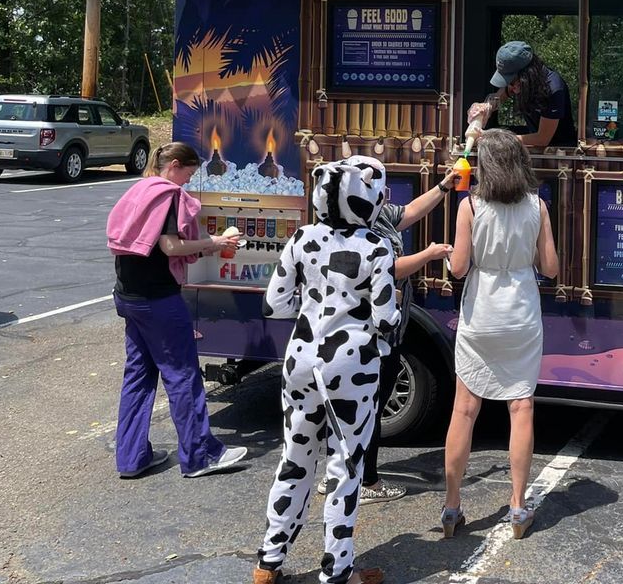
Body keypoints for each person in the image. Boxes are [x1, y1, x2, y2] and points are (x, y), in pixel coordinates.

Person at [254, 156, 398, 584]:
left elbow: (274, 304)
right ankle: (338, 570)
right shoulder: (376, 247)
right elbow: (386, 318)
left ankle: (268, 562)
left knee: (295, 458)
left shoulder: (301, 238)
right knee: (345, 466)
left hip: (300, 358)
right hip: (351, 365)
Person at [440, 129, 560, 540]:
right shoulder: (537, 207)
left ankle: (452, 506)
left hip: (482, 311)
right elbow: (551, 267)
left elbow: (457, 268)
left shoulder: (470, 206)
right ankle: (518, 506)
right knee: (521, 407)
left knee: (464, 409)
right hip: (522, 312)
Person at [106, 142, 246, 479]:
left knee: (138, 377)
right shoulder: (167, 194)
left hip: (128, 296)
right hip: (158, 299)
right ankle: (200, 455)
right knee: (181, 374)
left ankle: (131, 457)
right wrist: (215, 243)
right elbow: (170, 246)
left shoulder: (138, 190)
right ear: (175, 166)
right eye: (189, 174)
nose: (187, 182)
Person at [328, 168, 457, 504]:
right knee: (367, 407)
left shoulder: (377, 213)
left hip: (387, 329)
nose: (385, 193)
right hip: (370, 332)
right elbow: (387, 268)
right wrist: (429, 255)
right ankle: (365, 482)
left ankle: (344, 476)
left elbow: (411, 211)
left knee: (362, 407)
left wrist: (444, 185)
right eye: (376, 187)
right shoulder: (357, 225)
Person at [467, 41, 577, 149]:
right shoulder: (520, 82)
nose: (510, 87)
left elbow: (542, 139)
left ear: (527, 74)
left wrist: (495, 138)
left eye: (511, 82)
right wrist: (487, 106)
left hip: (560, 151)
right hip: (535, 146)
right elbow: (503, 93)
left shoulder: (553, 89)